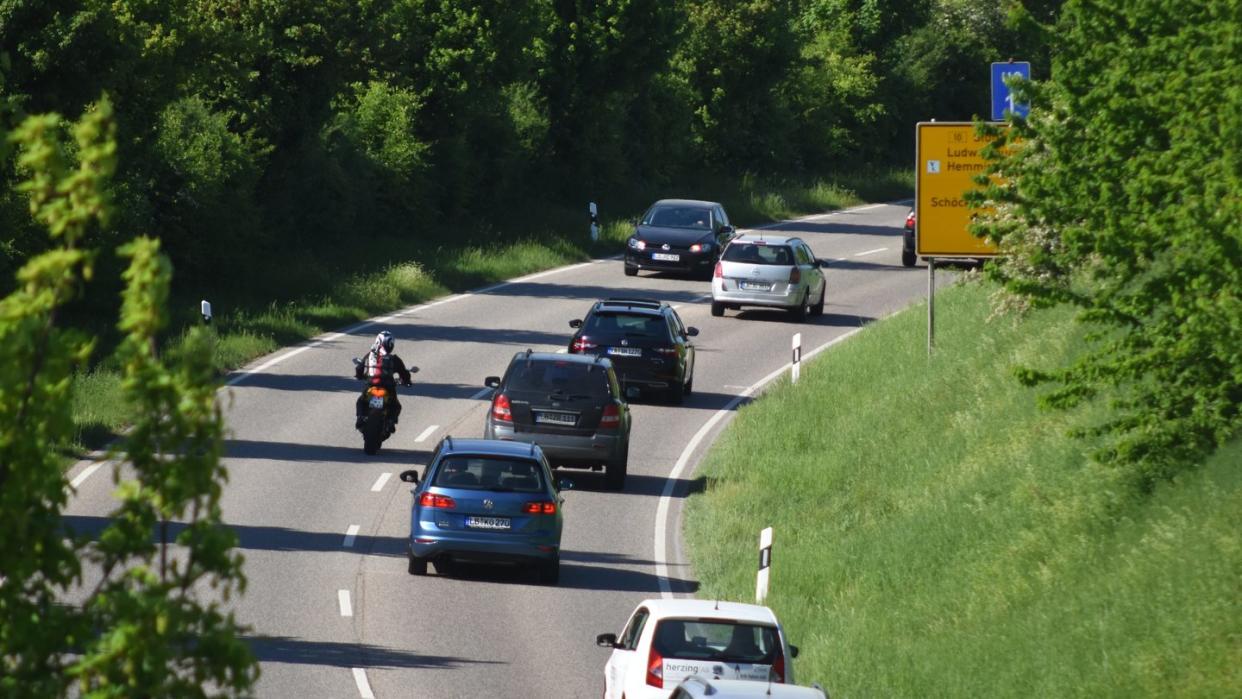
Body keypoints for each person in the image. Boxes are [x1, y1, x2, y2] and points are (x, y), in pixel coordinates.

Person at [355, 330, 412, 431]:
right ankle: (390, 422)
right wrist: (407, 381)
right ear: (391, 345)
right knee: (396, 405)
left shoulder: (370, 355)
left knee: (361, 401)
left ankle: (360, 417)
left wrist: (359, 376)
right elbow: (404, 373)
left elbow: (359, 368)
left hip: (370, 384)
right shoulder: (394, 359)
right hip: (388, 386)